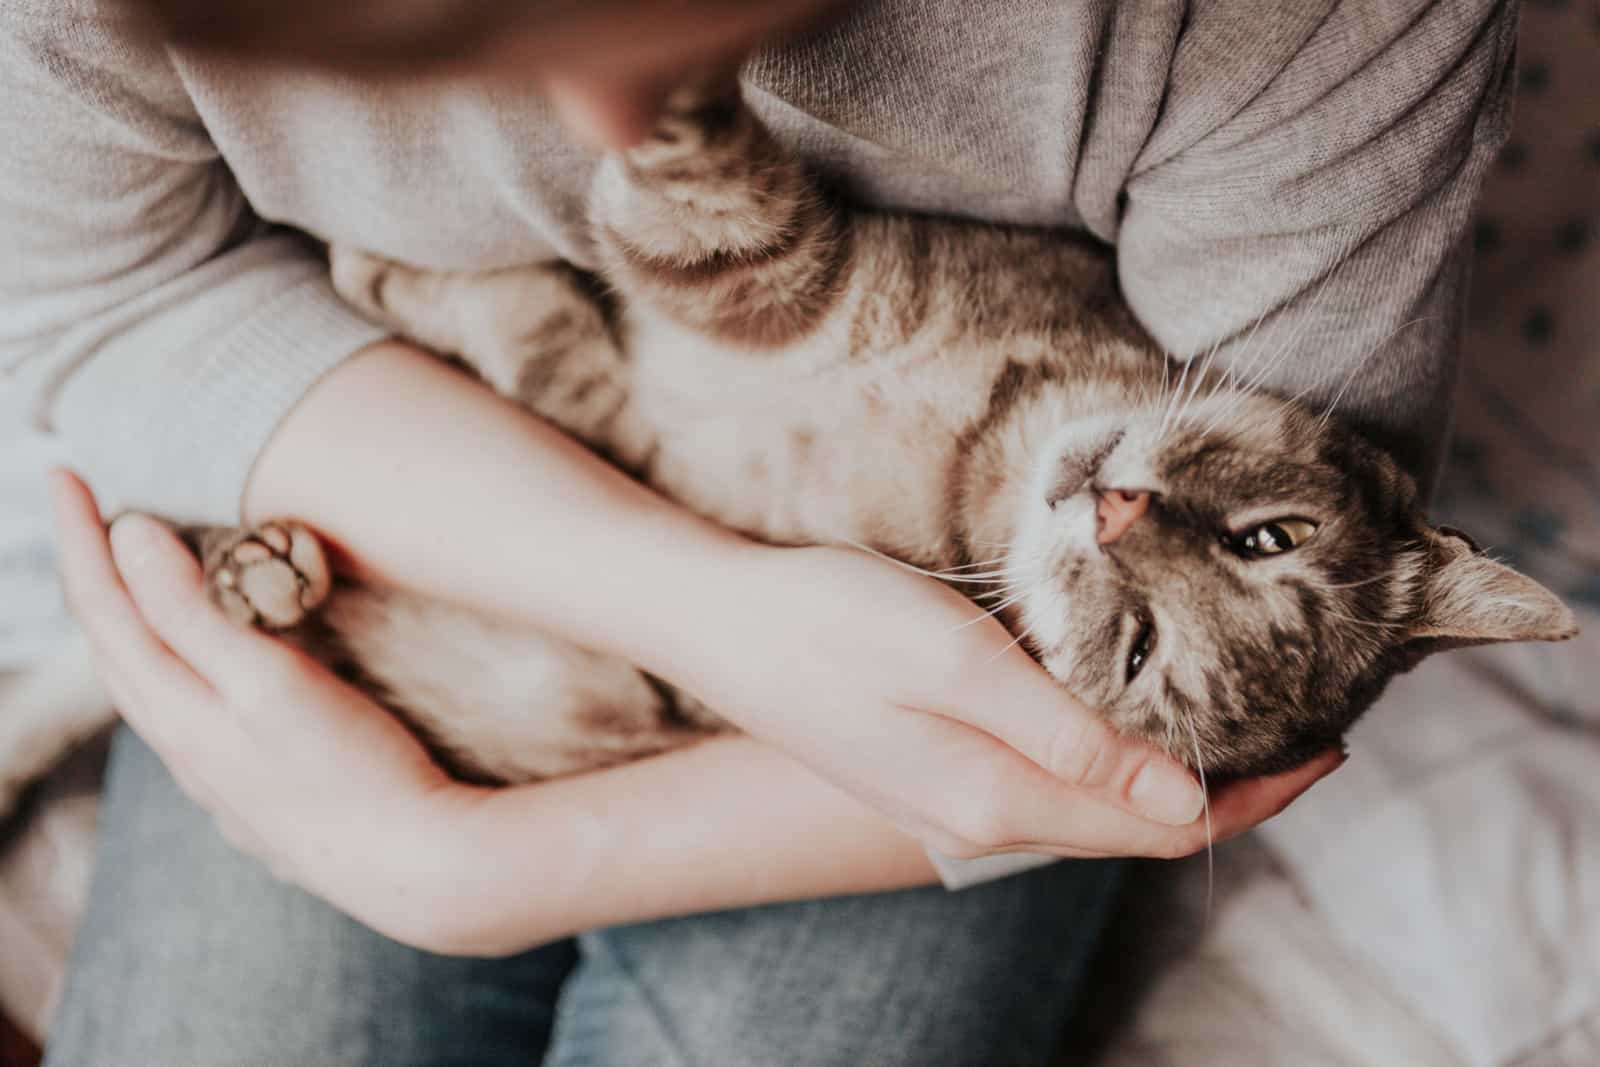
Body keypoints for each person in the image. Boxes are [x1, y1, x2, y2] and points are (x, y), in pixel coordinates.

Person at [0, 0, 1515, 1063]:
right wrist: (709, 612)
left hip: (916, 738)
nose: (1122, 520)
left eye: (661, 37)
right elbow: (98, 306)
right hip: (455, 474)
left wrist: (486, 865)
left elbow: (1199, 764)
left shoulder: (1315, 22)